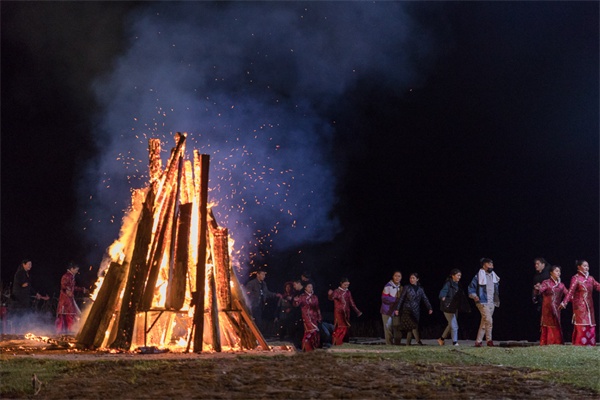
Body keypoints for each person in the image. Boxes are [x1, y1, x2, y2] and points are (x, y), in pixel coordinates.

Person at [559, 260, 600, 346]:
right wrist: (564, 303)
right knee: (582, 325)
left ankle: (590, 345)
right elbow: (570, 292)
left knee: (590, 325)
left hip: (590, 307)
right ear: (579, 267)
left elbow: (598, 286)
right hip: (579, 307)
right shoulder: (576, 278)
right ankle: (580, 345)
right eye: (584, 266)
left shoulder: (590, 278)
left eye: (587, 266)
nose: (586, 268)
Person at [468, 258, 500, 347]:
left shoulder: (494, 276)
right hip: (482, 301)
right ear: (484, 265)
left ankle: (478, 342)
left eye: (492, 264)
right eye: (489, 264)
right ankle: (489, 340)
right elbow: (471, 288)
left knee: (484, 322)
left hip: (491, 302)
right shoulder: (478, 276)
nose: (491, 266)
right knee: (489, 321)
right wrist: (474, 296)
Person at [395, 273, 433, 345]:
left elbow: (425, 298)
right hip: (407, 309)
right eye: (410, 278)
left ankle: (408, 343)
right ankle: (418, 341)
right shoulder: (407, 287)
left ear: (417, 279)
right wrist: (397, 309)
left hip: (416, 310)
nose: (411, 279)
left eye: (413, 278)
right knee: (413, 325)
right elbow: (401, 298)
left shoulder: (420, 289)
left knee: (411, 327)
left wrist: (429, 307)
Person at [11, 259, 49, 330]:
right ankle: (17, 330)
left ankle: (23, 330)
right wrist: (23, 284)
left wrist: (36, 294)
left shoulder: (27, 274)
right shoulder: (20, 273)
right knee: (20, 315)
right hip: (19, 299)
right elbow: (22, 284)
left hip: (25, 298)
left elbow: (29, 286)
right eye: (28, 264)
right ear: (23, 264)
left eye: (31, 264)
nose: (30, 266)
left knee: (25, 314)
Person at [535, 265, 567, 345]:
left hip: (557, 309)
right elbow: (540, 291)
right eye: (556, 271)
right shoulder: (546, 282)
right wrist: (537, 289)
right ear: (551, 273)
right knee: (548, 325)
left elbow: (568, 294)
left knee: (556, 325)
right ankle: (547, 343)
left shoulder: (561, 285)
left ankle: (557, 343)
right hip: (547, 309)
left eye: (559, 271)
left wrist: (564, 302)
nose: (558, 273)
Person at [437, 268, 470, 346]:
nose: (459, 277)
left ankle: (441, 339)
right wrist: (442, 297)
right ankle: (454, 342)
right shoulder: (448, 283)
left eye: (460, 276)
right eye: (458, 275)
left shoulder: (458, 284)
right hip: (448, 307)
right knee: (454, 326)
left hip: (454, 307)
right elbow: (443, 291)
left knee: (450, 325)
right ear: (453, 276)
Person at [245, 267, 281, 334]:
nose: (264, 276)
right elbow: (247, 293)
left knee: (260, 321)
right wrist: (253, 298)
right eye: (262, 274)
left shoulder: (263, 284)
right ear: (258, 275)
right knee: (257, 321)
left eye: (264, 275)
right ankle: (256, 336)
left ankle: (259, 335)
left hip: (261, 305)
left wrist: (275, 295)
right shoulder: (252, 283)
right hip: (254, 305)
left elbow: (266, 293)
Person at [328, 277, 362, 346]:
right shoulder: (337, 291)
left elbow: (352, 303)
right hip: (339, 313)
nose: (346, 286)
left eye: (347, 285)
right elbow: (331, 298)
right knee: (341, 328)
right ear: (341, 284)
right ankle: (338, 343)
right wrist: (330, 294)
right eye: (345, 285)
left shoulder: (348, 292)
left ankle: (344, 343)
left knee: (346, 329)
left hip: (346, 313)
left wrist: (357, 311)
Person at [56, 262, 88, 335]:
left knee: (70, 315)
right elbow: (63, 286)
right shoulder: (66, 276)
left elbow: (72, 287)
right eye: (76, 270)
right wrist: (68, 291)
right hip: (65, 300)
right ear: (72, 269)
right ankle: (64, 332)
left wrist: (82, 289)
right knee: (66, 315)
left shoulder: (71, 276)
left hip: (69, 299)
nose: (77, 271)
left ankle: (68, 331)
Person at [293, 282, 322, 351]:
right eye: (309, 287)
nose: (310, 288)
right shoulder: (302, 297)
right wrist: (295, 301)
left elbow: (317, 308)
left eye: (311, 287)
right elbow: (296, 305)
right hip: (306, 317)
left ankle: (310, 347)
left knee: (313, 333)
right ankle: (306, 347)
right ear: (305, 288)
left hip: (314, 317)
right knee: (311, 331)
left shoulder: (315, 297)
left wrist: (319, 316)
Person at [380, 271, 403, 345]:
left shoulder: (401, 287)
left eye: (399, 276)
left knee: (397, 328)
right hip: (387, 311)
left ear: (401, 278)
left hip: (396, 311)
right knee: (388, 328)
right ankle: (389, 344)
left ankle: (397, 344)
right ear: (393, 277)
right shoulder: (388, 286)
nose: (397, 277)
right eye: (395, 276)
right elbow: (384, 298)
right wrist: (396, 299)